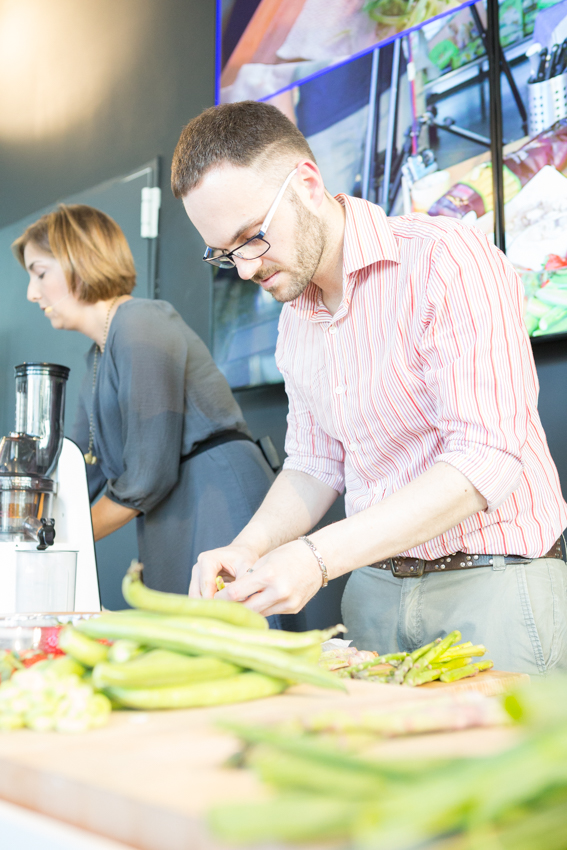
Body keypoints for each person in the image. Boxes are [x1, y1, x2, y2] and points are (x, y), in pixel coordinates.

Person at [171, 100, 567, 675]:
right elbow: (314, 462)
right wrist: (249, 548)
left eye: (251, 237)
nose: (247, 270)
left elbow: (486, 459)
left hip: (495, 584)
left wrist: (315, 557)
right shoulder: (296, 317)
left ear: (307, 184)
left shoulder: (446, 258)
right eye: (224, 254)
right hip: (374, 591)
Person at [12, 204, 277, 600]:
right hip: (172, 512)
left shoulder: (141, 321)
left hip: (215, 496)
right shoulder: (97, 357)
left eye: (40, 273)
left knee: (233, 641)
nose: (33, 293)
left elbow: (149, 473)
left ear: (78, 261)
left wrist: (52, 540)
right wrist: (23, 519)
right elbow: (80, 469)